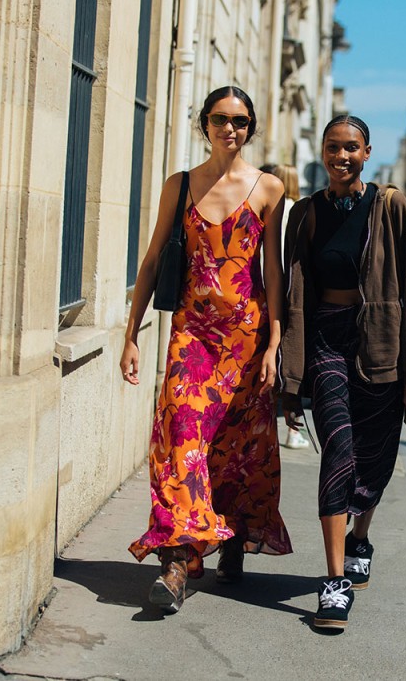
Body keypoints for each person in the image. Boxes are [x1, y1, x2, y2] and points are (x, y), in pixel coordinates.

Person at [120, 86, 292, 614]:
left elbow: (273, 272)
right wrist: (131, 333)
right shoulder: (180, 185)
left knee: (239, 446)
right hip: (191, 336)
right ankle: (176, 564)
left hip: (246, 337)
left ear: (250, 127)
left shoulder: (268, 189)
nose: (229, 128)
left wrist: (275, 345)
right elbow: (151, 262)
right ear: (205, 124)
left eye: (239, 121)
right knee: (180, 440)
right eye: (220, 119)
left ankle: (234, 537)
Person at [280, 114, 406, 630]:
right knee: (340, 451)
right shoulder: (305, 214)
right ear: (322, 153)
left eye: (350, 148)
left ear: (367, 152)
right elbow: (292, 292)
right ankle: (333, 582)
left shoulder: (390, 206)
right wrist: (291, 376)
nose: (340, 156)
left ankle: (360, 535)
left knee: (376, 454)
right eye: (332, 147)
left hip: (382, 342)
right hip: (327, 337)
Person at [259, 163, 310, 450]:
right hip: (289, 293)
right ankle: (292, 430)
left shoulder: (274, 206)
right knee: (284, 358)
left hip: (263, 288)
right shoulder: (297, 209)